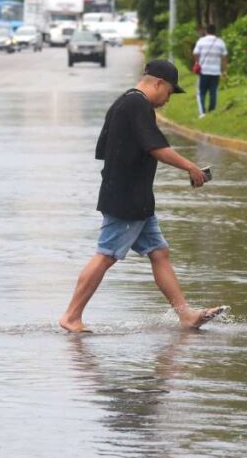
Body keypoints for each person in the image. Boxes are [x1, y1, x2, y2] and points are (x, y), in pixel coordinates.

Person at [59, 59, 229, 333]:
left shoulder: (123, 102)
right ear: (158, 83)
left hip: (134, 197)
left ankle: (185, 315)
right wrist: (191, 167)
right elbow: (156, 147)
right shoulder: (138, 105)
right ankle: (71, 316)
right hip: (127, 198)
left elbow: (106, 149)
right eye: (170, 92)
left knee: (159, 253)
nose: (167, 100)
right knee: (106, 255)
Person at [191, 24, 228, 118]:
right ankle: (212, 111)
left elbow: (195, 53)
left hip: (204, 71)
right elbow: (224, 58)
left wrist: (197, 62)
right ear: (215, 31)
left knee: (201, 92)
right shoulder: (221, 42)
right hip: (216, 71)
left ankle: (202, 113)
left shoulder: (201, 41)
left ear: (206, 31)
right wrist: (224, 71)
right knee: (213, 92)